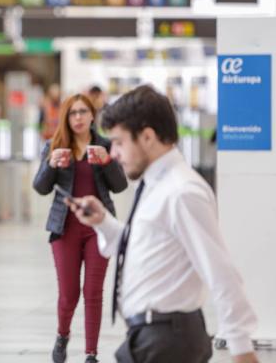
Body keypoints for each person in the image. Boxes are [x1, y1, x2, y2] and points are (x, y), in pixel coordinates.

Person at [66, 85, 258, 363]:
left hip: (168, 342)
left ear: (147, 136)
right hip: (150, 339)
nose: (114, 153)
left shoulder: (182, 192)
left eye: (119, 142)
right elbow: (148, 247)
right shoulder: (155, 185)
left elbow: (221, 274)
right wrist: (104, 222)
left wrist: (242, 351)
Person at [33, 94, 128, 363]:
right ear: (66, 116)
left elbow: (120, 186)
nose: (78, 117)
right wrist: (51, 165)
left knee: (94, 292)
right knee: (69, 293)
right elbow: (40, 188)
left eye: (83, 112)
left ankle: (91, 354)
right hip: (65, 229)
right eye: (73, 112)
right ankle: (62, 335)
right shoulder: (54, 145)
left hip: (99, 228)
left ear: (92, 115)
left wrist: (107, 162)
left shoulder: (105, 145)